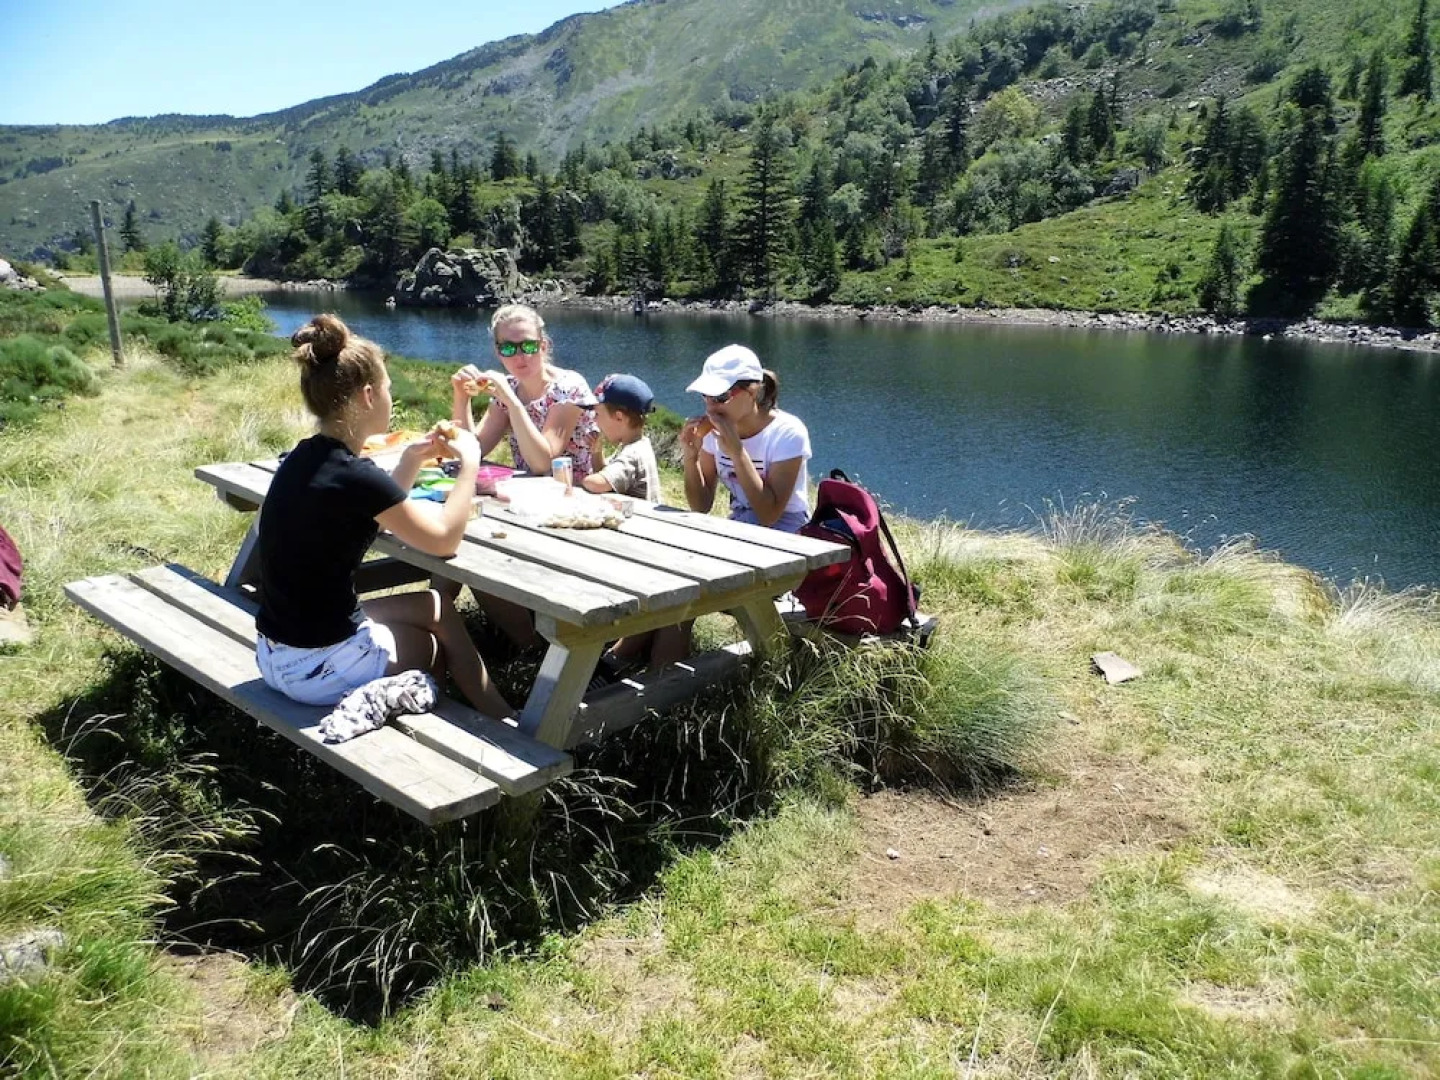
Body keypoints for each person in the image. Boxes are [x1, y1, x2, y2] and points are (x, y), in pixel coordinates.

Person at [254, 314, 513, 719]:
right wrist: (470, 462)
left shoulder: (307, 457)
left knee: (436, 606)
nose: (392, 398)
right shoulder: (357, 476)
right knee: (429, 647)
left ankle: (498, 714)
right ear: (369, 396)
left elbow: (364, 517)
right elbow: (444, 540)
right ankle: (497, 733)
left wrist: (410, 460)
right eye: (389, 389)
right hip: (317, 671)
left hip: (275, 654)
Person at [448, 303, 599, 479]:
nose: (519, 357)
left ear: (543, 347)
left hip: (576, 493)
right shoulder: (510, 387)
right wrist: (461, 396)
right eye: (508, 348)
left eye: (528, 346)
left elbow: (542, 463)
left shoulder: (568, 388)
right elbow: (471, 451)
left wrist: (512, 402)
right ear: (498, 352)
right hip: (528, 492)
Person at [679, 343, 811, 532]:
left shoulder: (787, 433)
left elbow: (769, 515)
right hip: (741, 525)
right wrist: (691, 459)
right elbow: (701, 506)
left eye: (720, 397)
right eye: (705, 396)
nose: (710, 408)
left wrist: (737, 453)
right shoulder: (713, 433)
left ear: (753, 392)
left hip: (786, 532)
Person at [582, 373, 661, 501]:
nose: (595, 420)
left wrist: (577, 481)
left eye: (597, 414)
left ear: (619, 417)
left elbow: (598, 483)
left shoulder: (633, 454)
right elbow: (610, 479)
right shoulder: (636, 444)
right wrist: (596, 453)